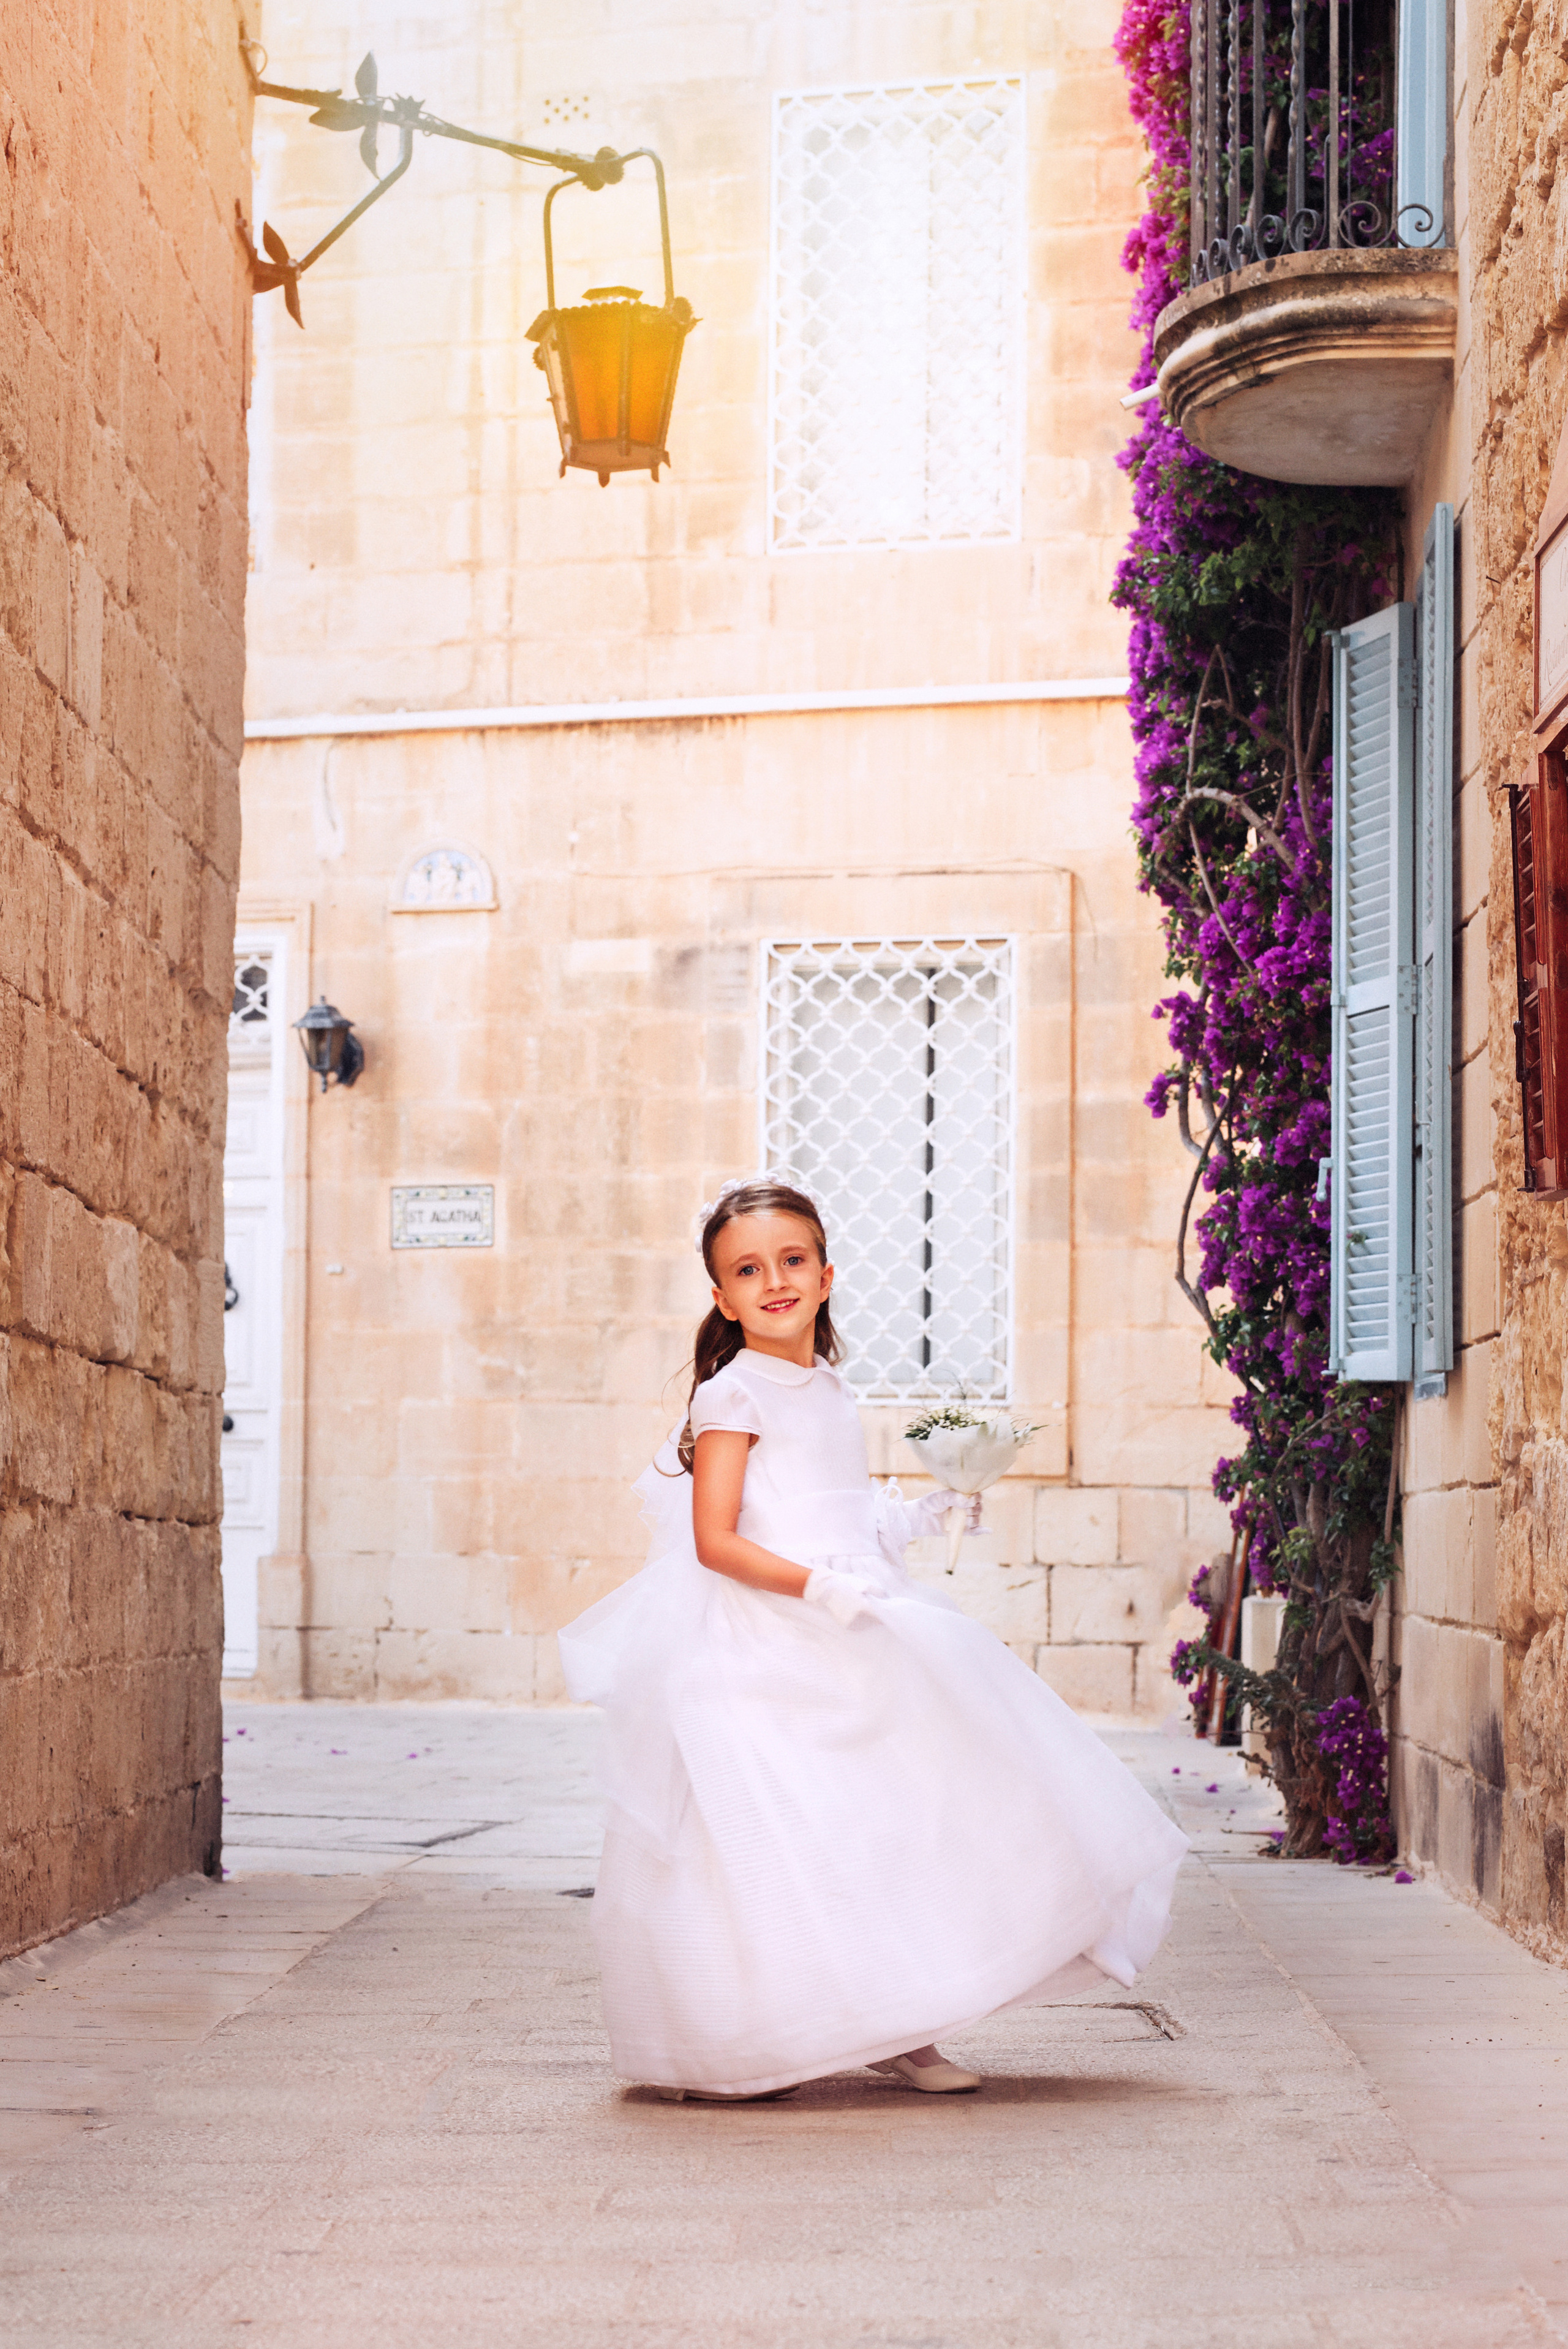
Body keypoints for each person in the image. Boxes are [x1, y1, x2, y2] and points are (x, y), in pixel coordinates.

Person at [559, 1178, 1188, 2103]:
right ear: (722, 1298)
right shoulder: (732, 1396)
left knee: (892, 1822)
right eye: (748, 1269)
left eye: (792, 1260)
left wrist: (925, 1514)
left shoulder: (829, 1386)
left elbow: (841, 1515)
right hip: (764, 1642)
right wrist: (818, 1584)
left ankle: (907, 2022)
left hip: (856, 1620)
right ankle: (755, 2036)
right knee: (773, 1836)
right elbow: (717, 1538)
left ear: (825, 1275)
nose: (774, 1279)